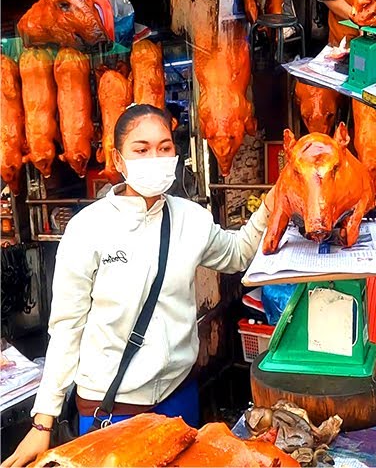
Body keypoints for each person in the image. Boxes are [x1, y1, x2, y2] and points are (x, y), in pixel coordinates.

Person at [2, 105, 270, 467]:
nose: (154, 158)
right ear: (119, 159)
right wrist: (43, 419)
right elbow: (66, 328)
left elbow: (237, 254)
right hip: (112, 410)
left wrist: (274, 203)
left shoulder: (190, 218)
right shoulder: (87, 229)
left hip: (180, 398)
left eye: (164, 148)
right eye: (141, 149)